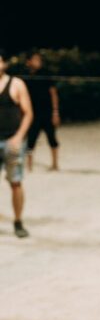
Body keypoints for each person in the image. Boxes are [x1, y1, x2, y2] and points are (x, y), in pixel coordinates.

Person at [0, 48, 33, 238]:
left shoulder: (16, 84)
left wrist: (19, 137)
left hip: (12, 140)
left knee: (15, 182)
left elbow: (28, 113)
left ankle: (18, 221)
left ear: (4, 64)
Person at [24, 52, 60, 172]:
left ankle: (55, 164)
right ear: (28, 62)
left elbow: (53, 93)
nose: (37, 61)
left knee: (52, 137)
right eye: (34, 59)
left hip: (47, 112)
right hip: (33, 113)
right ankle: (29, 166)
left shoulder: (46, 74)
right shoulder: (25, 76)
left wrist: (55, 112)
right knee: (31, 139)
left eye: (39, 59)